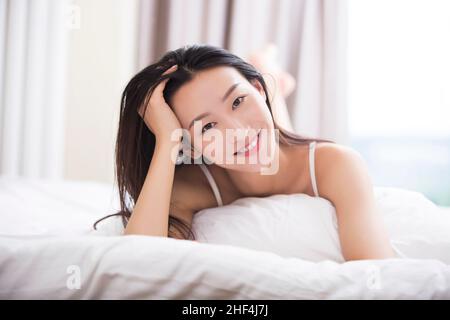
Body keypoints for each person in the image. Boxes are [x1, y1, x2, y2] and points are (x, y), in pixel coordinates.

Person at [93, 44, 397, 261]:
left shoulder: (337, 163)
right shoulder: (192, 184)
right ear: (190, 142)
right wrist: (166, 140)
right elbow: (136, 259)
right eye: (208, 126)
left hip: (286, 141)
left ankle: (267, 70)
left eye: (238, 101)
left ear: (258, 89)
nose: (237, 130)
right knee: (262, 131)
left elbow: (375, 272)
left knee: (272, 129)